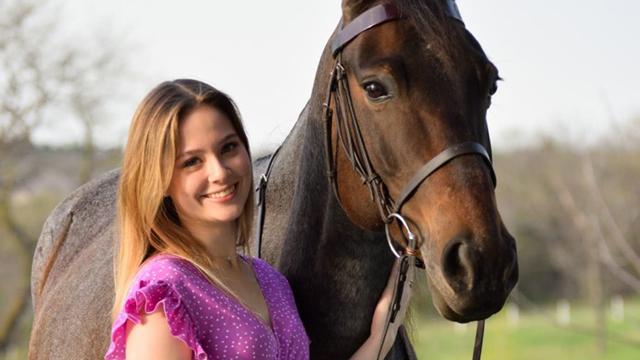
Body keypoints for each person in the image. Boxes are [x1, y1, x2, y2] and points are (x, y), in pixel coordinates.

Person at [105, 79, 412, 359]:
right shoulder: (164, 295)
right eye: (192, 162)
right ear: (160, 181)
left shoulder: (269, 280)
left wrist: (378, 338)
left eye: (228, 148)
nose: (220, 172)